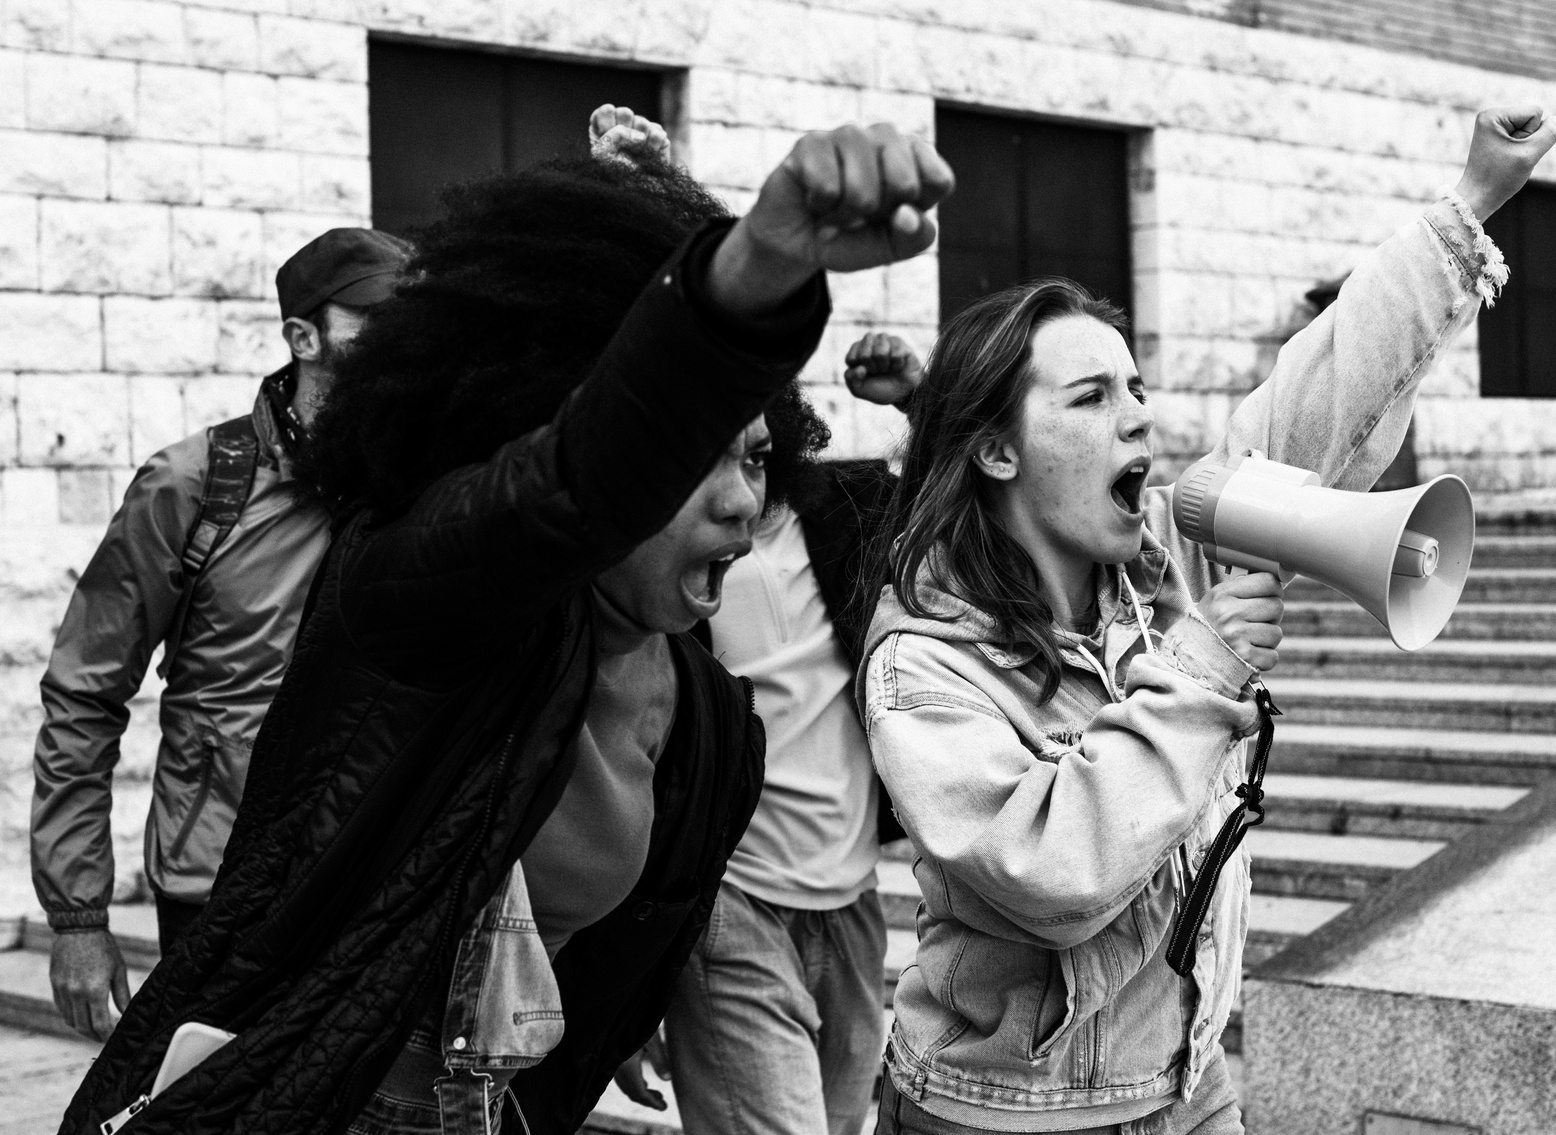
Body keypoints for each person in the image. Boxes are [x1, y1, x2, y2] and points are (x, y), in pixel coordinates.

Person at [55, 122, 953, 1135]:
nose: (739, 501)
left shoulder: (706, 719)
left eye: (753, 458)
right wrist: (755, 268)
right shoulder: (421, 601)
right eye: (689, 455)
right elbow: (573, 478)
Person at [860, 106, 1556, 1135]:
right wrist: (1202, 668)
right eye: (1090, 397)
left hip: (1185, 1081)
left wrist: (1466, 205)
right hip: (1004, 1110)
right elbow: (1053, 872)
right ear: (995, 451)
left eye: (1135, 388)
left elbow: (1315, 396)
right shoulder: (923, 664)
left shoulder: (1158, 567)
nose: (1137, 415)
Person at [579, 103, 926, 1135]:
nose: (735, 481)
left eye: (755, 443)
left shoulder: (846, 510)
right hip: (728, 909)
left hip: (853, 905)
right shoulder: (653, 552)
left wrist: (919, 396)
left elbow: (990, 490)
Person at [29, 227, 410, 1041]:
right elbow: (84, 690)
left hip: (369, 874)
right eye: (373, 321)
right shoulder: (196, 484)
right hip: (216, 879)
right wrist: (77, 915)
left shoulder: (414, 486)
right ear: (304, 337)